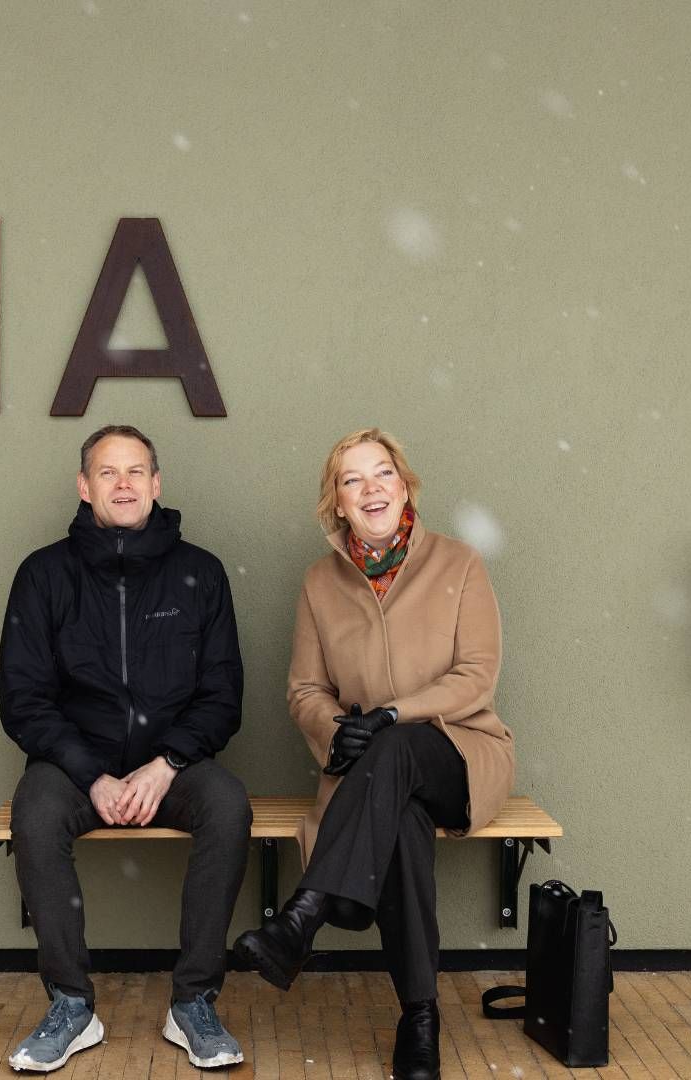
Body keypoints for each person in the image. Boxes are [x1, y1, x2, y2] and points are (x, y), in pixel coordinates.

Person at [231, 429, 515, 1080]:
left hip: (461, 754)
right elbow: (305, 689)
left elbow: (476, 675)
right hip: (371, 775)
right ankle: (420, 1017)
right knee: (405, 827)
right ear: (337, 502)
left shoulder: (460, 563)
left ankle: (307, 912)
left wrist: (391, 715)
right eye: (353, 480)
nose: (371, 489)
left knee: (403, 750)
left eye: (382, 473)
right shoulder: (319, 583)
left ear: (405, 484)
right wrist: (338, 731)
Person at [0, 425, 251, 1072]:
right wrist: (91, 775)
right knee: (34, 811)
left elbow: (223, 696)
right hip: (74, 766)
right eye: (108, 473)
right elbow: (23, 700)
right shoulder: (43, 574)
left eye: (136, 471)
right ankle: (71, 1005)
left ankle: (193, 1002)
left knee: (228, 807)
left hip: (174, 766)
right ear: (84, 487)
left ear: (157, 484)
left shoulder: (201, 572)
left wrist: (165, 765)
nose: (124, 484)